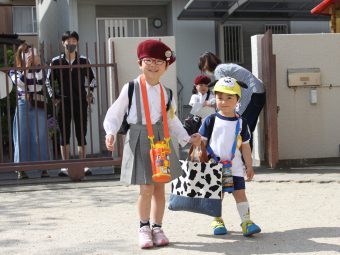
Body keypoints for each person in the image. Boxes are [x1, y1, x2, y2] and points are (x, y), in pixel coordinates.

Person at [103, 39, 201, 249]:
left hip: (161, 140)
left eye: (158, 61)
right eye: (148, 60)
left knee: (159, 187)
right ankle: (144, 228)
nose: (153, 65)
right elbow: (116, 112)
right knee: (146, 187)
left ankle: (158, 227)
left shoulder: (167, 93)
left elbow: (172, 119)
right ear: (140, 63)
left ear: (166, 66)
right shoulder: (130, 87)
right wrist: (110, 132)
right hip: (139, 137)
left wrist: (186, 138)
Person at [199, 76, 261, 237]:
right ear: (215, 98)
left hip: (235, 167)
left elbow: (246, 146)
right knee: (217, 195)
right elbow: (202, 142)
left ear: (237, 99)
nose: (224, 101)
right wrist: (201, 155)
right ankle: (217, 220)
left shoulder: (242, 122)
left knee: (240, 193)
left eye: (229, 97)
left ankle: (246, 221)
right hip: (214, 166)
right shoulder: (210, 120)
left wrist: (249, 165)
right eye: (219, 97)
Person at [46, 31, 96, 177]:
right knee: (64, 133)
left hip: (80, 100)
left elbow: (92, 78)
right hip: (63, 101)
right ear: (63, 43)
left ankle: (83, 165)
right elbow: (48, 81)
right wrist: (54, 97)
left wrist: (90, 93)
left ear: (77, 42)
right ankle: (65, 167)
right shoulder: (56, 61)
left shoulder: (84, 60)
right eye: (68, 40)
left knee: (82, 133)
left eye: (74, 40)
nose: (71, 43)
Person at [198, 52, 265, 148]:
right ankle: (246, 160)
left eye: (204, 69)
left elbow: (225, 90)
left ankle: (243, 160)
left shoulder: (219, 70)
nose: (205, 72)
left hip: (252, 95)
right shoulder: (224, 67)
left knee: (243, 130)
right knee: (247, 130)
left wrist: (210, 102)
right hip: (258, 93)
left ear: (206, 65)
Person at [9, 43, 50, 179]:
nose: (31, 56)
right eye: (27, 54)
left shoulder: (39, 69)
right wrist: (26, 68)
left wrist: (37, 66)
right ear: (21, 56)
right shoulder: (14, 70)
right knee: (21, 136)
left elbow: (40, 84)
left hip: (37, 103)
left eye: (33, 53)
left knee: (41, 135)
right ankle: (21, 169)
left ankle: (44, 168)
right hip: (22, 104)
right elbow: (20, 83)